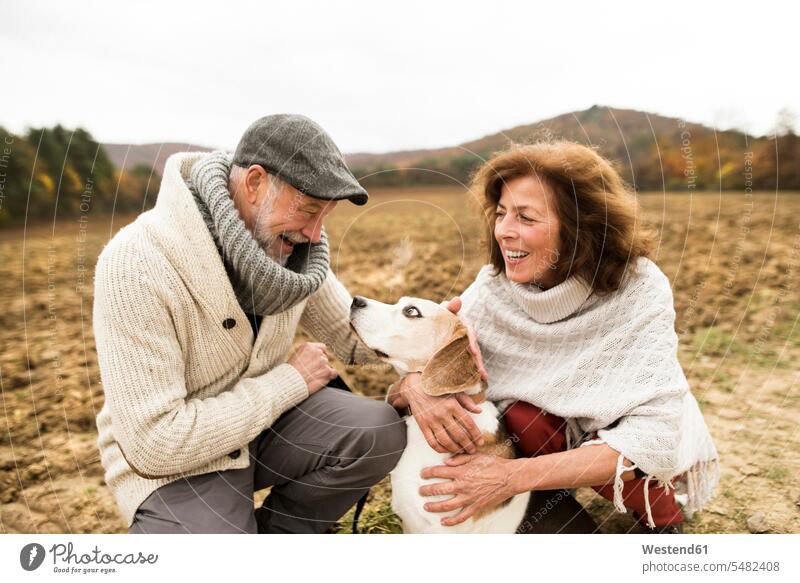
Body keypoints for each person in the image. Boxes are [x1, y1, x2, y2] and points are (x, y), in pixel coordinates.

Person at [93, 114, 409, 533]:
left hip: (265, 428)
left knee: (378, 432)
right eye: (309, 211)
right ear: (255, 183)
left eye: (324, 217)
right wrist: (290, 382)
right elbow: (156, 445)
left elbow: (352, 336)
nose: (315, 235)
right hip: (178, 462)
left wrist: (435, 337)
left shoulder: (296, 256)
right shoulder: (137, 263)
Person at [388, 141, 719, 533]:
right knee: (521, 418)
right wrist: (415, 384)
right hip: (551, 434)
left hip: (618, 425)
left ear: (580, 227)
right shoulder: (492, 287)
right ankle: (544, 496)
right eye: (501, 214)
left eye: (526, 218)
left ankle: (662, 521)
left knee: (633, 440)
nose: (505, 232)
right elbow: (430, 363)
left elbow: (657, 431)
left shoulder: (640, 288)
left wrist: (510, 477)